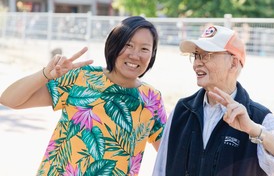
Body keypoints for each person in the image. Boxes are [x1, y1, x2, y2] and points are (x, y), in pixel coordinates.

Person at [0, 16, 167, 175]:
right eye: (128, 45)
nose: (135, 55)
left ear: (152, 55)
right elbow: (9, 99)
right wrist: (45, 74)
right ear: (114, 45)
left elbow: (170, 154)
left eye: (144, 49)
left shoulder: (152, 99)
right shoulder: (81, 78)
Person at [152, 25, 274, 176]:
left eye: (206, 55)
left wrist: (254, 130)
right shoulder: (181, 110)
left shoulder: (259, 117)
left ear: (234, 63)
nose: (197, 63)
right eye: (196, 56)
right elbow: (160, 169)